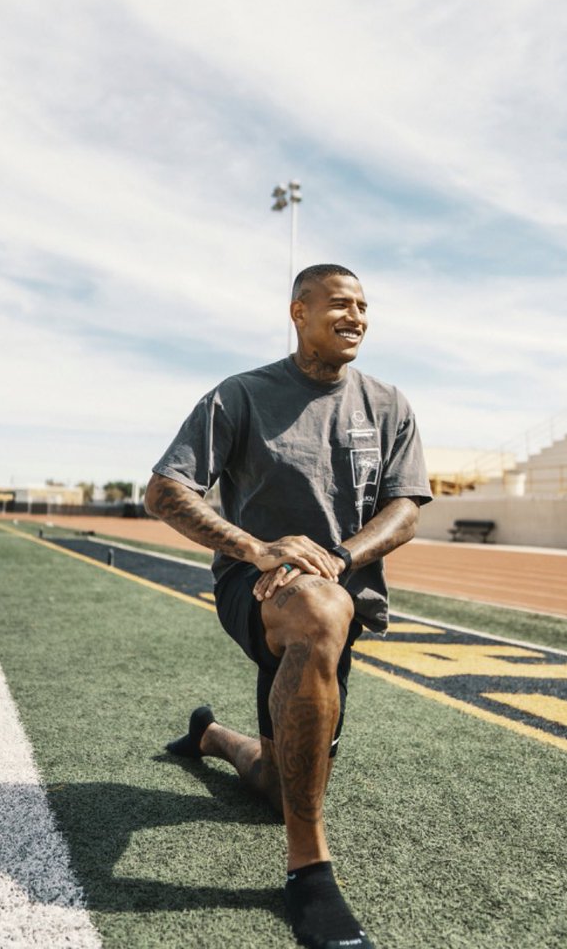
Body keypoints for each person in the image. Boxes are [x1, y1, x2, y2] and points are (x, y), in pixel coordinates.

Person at [145, 264, 432, 949]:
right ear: (298, 311)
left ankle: (212, 736)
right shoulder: (242, 395)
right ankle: (309, 872)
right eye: (339, 303)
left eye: (364, 306)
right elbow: (164, 492)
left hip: (341, 592)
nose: (356, 315)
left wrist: (342, 556)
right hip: (260, 592)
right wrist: (257, 548)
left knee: (282, 788)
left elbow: (407, 508)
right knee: (318, 611)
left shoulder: (388, 404)